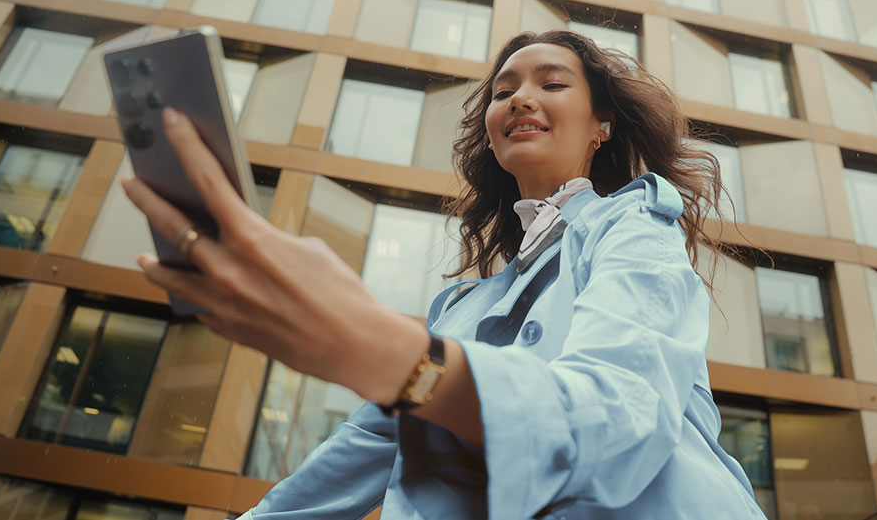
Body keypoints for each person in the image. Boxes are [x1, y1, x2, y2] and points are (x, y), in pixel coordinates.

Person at [122, 30, 769, 519]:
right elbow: (342, 467)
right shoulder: (456, 309)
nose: (521, 97)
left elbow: (614, 417)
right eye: (504, 89)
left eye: (552, 82)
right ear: (489, 133)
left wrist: (391, 354)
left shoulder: (632, 224)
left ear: (602, 124)